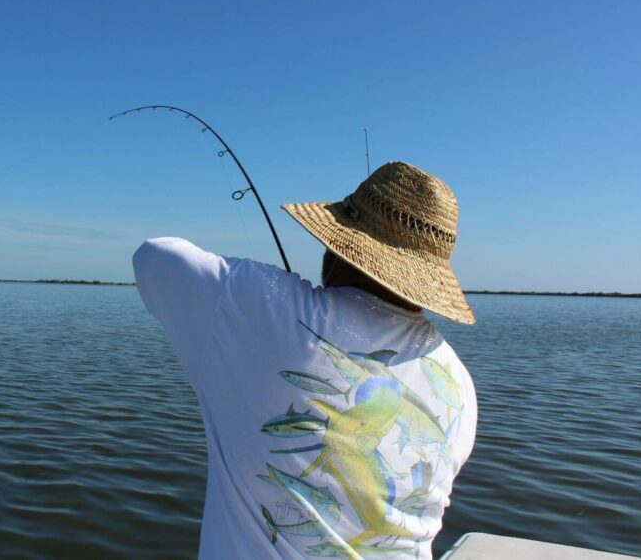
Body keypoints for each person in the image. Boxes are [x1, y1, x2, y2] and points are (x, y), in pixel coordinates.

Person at [133, 161, 477, 560]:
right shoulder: (460, 383)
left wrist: (282, 295)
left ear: (337, 243)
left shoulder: (255, 302)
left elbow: (153, 255)